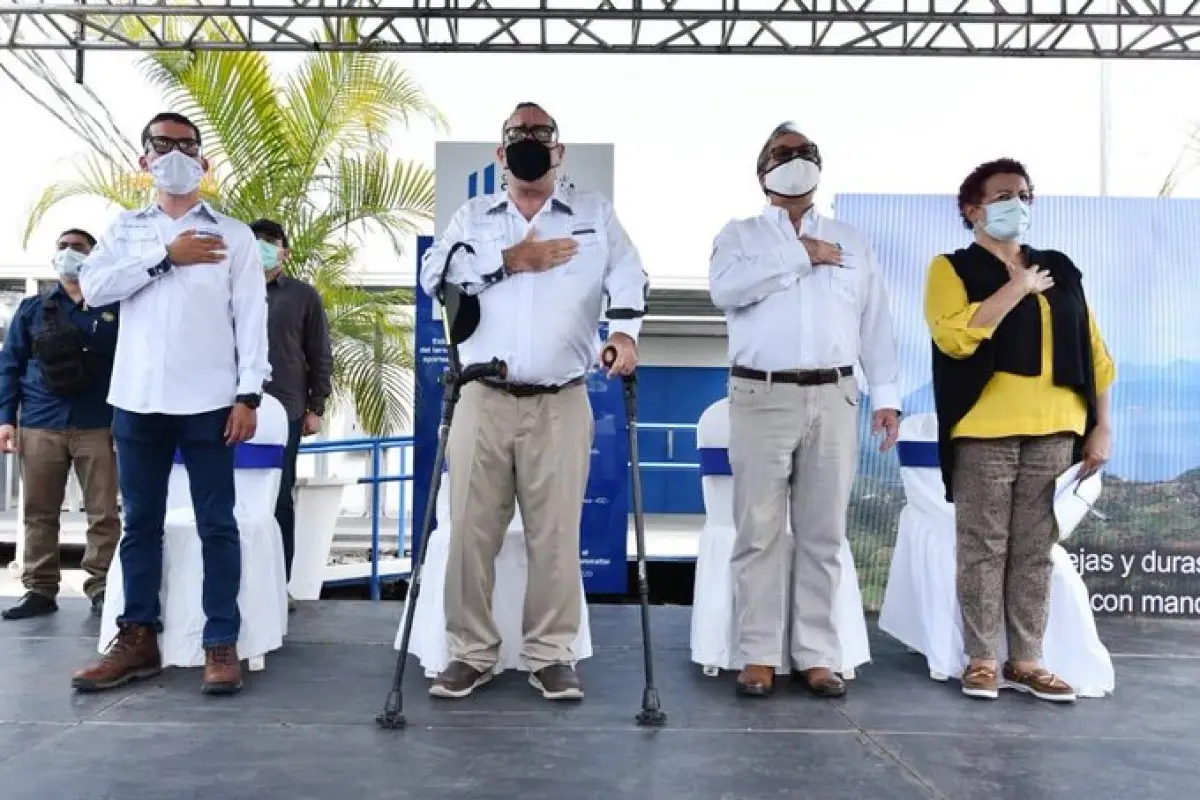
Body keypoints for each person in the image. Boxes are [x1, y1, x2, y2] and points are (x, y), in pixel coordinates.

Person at [418, 101, 648, 702]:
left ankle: (551, 655)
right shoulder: (473, 215)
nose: (529, 141)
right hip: (482, 398)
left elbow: (629, 275)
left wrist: (624, 333)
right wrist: (509, 261)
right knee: (469, 530)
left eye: (540, 134)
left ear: (558, 150)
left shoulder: (593, 214)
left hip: (561, 399)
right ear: (500, 153)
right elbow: (431, 275)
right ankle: (470, 653)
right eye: (518, 134)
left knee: (555, 536)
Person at [70, 111, 271, 696]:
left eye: (188, 145)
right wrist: (165, 257)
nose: (177, 154)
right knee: (140, 524)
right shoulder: (125, 229)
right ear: (145, 160)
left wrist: (248, 394)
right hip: (136, 399)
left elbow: (251, 320)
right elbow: (95, 290)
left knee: (217, 524)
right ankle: (137, 639)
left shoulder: (233, 235)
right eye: (164, 144)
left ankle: (221, 641)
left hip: (210, 400)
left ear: (205, 162)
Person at [708, 122, 901, 700]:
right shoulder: (739, 235)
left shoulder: (853, 240)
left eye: (805, 152)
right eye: (782, 153)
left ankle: (818, 654)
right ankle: (759, 654)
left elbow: (875, 322)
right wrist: (800, 255)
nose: (796, 160)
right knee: (759, 531)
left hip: (836, 395)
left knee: (823, 532)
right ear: (761, 169)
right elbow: (726, 291)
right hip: (761, 394)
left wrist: (886, 396)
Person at [925, 157, 1115, 703]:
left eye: (1026, 195)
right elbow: (955, 337)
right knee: (983, 546)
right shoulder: (952, 268)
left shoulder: (1060, 266)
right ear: (973, 209)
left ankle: (1027, 659)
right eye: (1006, 194)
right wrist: (1018, 288)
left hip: (1056, 429)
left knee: (1036, 548)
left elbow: (1095, 351)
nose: (1019, 204)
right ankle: (982, 658)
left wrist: (1102, 424)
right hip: (984, 429)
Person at [0, 229, 120, 620]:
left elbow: (131, 366)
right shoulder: (33, 309)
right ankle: (39, 589)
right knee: (39, 511)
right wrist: (6, 419)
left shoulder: (114, 308)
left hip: (99, 423)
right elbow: (10, 366)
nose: (69, 253)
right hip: (40, 422)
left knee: (103, 512)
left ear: (94, 255)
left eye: (78, 248)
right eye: (62, 246)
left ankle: (102, 585)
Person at [251, 218, 333, 612]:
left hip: (285, 412)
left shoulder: (303, 296)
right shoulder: (227, 292)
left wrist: (316, 407)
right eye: (256, 241)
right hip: (231, 410)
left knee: (279, 497)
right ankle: (239, 580)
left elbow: (319, 353)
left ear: (285, 250)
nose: (263, 247)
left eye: (271, 242)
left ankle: (277, 584)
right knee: (234, 499)